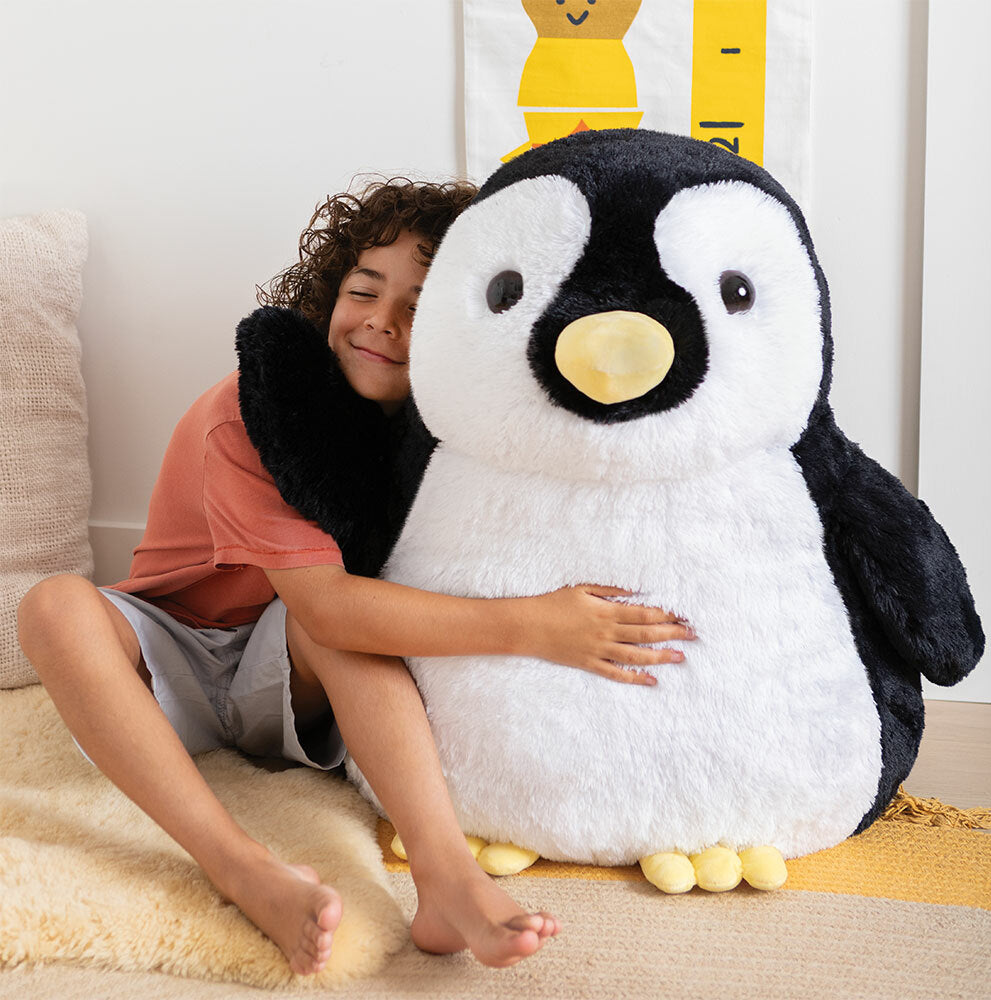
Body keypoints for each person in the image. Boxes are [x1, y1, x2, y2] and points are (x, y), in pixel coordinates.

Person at [17, 178, 695, 975]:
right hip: (169, 663)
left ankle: (446, 878)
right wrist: (538, 624)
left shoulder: (448, 434)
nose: (381, 321)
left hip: (294, 676)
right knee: (54, 605)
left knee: (336, 617)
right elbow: (330, 607)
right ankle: (239, 868)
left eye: (419, 302)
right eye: (362, 291)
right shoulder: (253, 411)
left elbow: (333, 619)